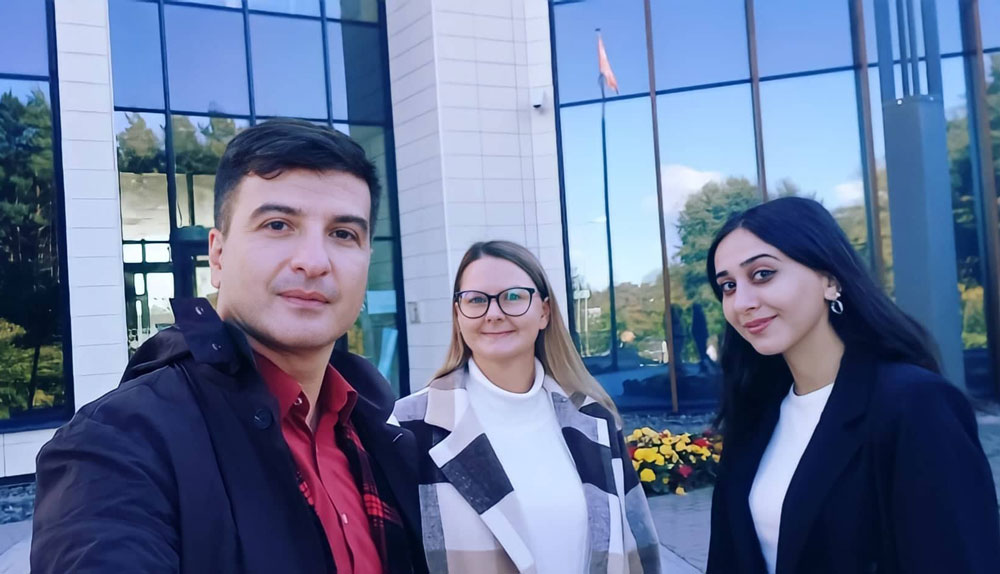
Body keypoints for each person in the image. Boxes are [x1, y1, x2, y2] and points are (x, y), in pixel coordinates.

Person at [31, 119, 428, 574]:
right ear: (217, 256)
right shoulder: (117, 444)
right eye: (278, 225)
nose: (315, 262)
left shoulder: (383, 428)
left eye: (343, 234)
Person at [705, 197, 1000, 574]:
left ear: (830, 280)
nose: (741, 302)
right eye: (728, 286)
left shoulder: (913, 403)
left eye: (762, 274)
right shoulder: (755, 412)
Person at [394, 240, 661, 574]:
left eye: (513, 296)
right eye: (476, 300)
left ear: (544, 312)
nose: (494, 313)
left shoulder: (594, 420)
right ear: (458, 315)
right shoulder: (410, 427)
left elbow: (639, 550)